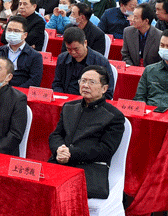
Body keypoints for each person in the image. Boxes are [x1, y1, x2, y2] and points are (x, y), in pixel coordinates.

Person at [48, 65, 126, 199]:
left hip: (89, 169)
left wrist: (71, 153)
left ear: (104, 89)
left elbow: (105, 150)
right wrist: (59, 150)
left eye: (92, 82)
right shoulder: (69, 107)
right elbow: (56, 135)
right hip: (61, 162)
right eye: (83, 81)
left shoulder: (114, 116)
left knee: (63, 193)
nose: (85, 85)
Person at [52, 27, 116, 98]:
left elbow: (108, 92)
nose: (73, 52)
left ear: (85, 43)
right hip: (66, 100)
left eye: (76, 49)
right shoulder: (62, 59)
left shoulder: (101, 62)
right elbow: (57, 84)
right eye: (69, 49)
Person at [0, 16, 43, 88]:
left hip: (20, 93)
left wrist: (14, 92)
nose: (12, 33)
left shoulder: (35, 56)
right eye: (9, 30)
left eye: (16, 31)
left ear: (25, 35)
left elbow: (34, 81)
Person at [121, 3, 162, 67]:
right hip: (133, 70)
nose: (133, 20)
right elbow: (125, 55)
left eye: (136, 17)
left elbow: (160, 61)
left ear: (146, 21)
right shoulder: (128, 32)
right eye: (133, 16)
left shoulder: (159, 36)